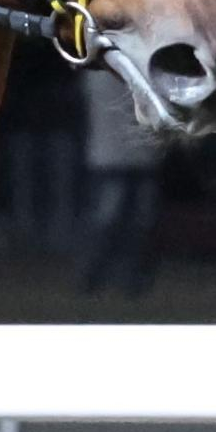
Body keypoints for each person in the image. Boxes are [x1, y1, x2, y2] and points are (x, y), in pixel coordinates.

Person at [79, 69, 165, 295]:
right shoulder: (142, 70)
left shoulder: (97, 71)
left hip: (111, 157)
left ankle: (99, 278)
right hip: (127, 158)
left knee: (113, 221)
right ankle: (125, 279)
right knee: (134, 222)